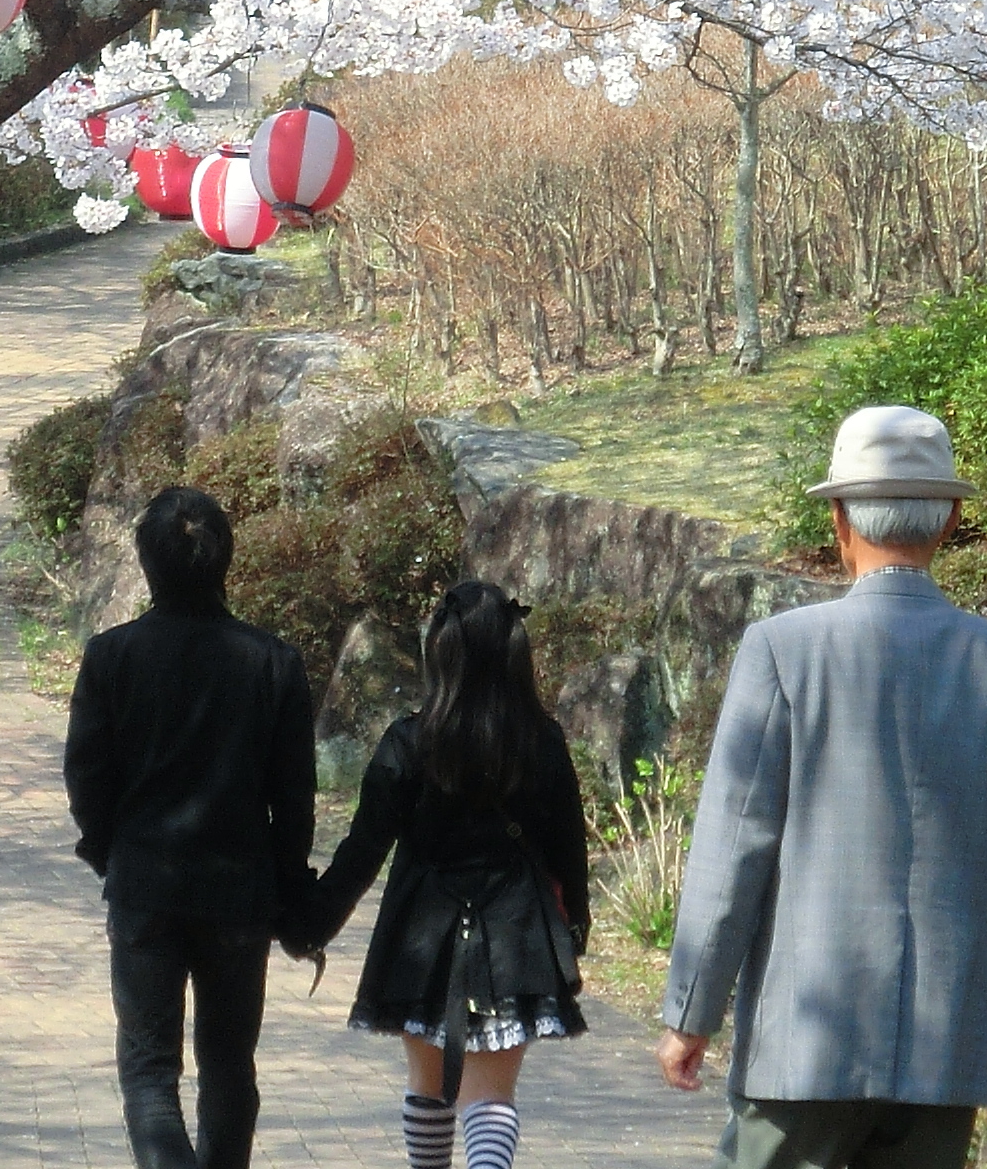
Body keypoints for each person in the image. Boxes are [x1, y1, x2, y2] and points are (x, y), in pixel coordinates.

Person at [656, 405, 987, 1169]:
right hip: (946, 1042)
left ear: (839, 520)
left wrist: (692, 1014)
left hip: (803, 1038)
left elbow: (736, 846)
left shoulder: (781, 652)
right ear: (952, 519)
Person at [289, 580, 591, 1169]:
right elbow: (568, 851)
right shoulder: (542, 740)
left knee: (427, 1091)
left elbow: (363, 850)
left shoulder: (409, 740)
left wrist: (311, 925)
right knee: (491, 1099)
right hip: (517, 934)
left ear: (440, 650)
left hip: (418, 937)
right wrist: (574, 931)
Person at [63, 486, 319, 1169]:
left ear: (146, 562)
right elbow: (295, 801)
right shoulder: (274, 662)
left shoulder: (111, 656)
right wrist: (291, 889)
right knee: (230, 1066)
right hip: (240, 891)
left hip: (145, 881)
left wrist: (107, 851)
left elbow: (86, 778)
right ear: (224, 559)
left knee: (149, 1073)